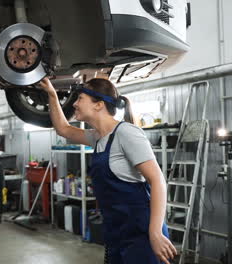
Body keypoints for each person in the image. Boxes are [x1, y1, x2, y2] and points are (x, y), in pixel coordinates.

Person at [39, 77, 177, 264]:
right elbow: (63, 129)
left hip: (141, 233)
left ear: (99, 105)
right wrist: (52, 96)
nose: (75, 104)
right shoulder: (98, 138)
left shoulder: (126, 133)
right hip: (116, 233)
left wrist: (154, 233)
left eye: (80, 99)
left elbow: (158, 181)